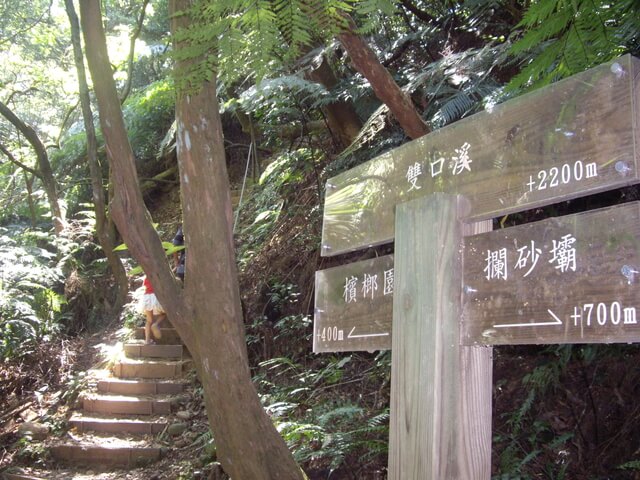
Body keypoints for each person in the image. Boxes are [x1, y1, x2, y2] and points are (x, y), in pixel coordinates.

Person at [140, 275, 165, 344]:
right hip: (155, 296)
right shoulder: (157, 275)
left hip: (147, 297)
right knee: (164, 313)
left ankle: (147, 340)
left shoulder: (146, 277)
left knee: (148, 320)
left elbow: (145, 286)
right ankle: (156, 324)